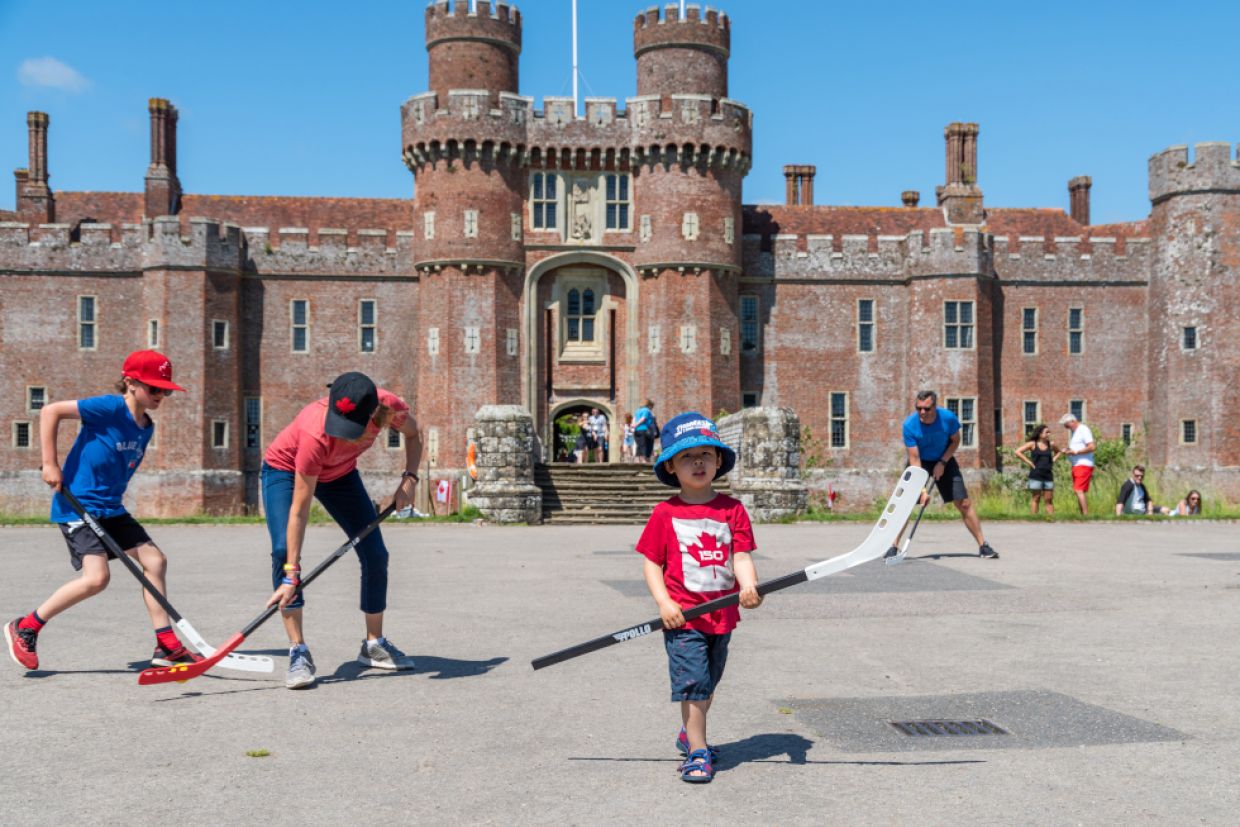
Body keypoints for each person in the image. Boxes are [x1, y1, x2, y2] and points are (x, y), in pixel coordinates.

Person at [5, 350, 200, 672]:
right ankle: (26, 626)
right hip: (78, 507)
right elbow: (51, 411)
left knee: (155, 560)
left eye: (164, 390)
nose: (161, 395)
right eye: (154, 388)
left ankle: (165, 644)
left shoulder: (146, 426)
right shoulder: (109, 407)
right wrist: (51, 463)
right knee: (96, 579)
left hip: (110, 508)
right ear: (130, 382)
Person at [263, 371, 423, 689]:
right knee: (284, 552)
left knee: (376, 554)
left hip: (340, 475)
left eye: (351, 428)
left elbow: (414, 435)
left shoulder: (390, 407)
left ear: (374, 414)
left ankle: (373, 644)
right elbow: (299, 510)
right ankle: (298, 650)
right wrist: (292, 574)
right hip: (285, 468)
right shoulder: (314, 431)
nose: (343, 434)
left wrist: (409, 479)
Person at [636, 412, 762, 784]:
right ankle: (697, 751)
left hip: (722, 616)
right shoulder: (665, 514)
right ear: (671, 466)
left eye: (705, 454)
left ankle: (690, 731)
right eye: (687, 457)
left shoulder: (732, 510)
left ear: (718, 461)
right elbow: (651, 564)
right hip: (684, 619)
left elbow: (740, 555)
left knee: (708, 681)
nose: (697, 462)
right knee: (693, 682)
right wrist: (664, 603)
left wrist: (750, 586)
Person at [891, 390, 998, 559]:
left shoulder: (948, 418)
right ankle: (893, 546)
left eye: (926, 409)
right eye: (918, 408)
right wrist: (922, 491)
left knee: (964, 503)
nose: (922, 413)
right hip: (920, 462)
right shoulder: (909, 425)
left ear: (935, 406)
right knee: (906, 504)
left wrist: (942, 462)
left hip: (944, 459)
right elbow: (914, 458)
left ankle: (983, 546)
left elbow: (955, 441)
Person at [1014, 423, 1061, 516]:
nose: (1049, 434)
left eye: (1049, 432)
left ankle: (1050, 518)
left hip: (1048, 475)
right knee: (1036, 498)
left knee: (1048, 499)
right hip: (1036, 475)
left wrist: (1052, 460)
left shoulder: (1051, 444)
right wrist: (1029, 462)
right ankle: (1034, 519)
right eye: (1046, 432)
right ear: (1040, 434)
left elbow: (1058, 452)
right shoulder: (1033, 444)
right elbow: (1017, 451)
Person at [1060, 413, 1096, 515]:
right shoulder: (1075, 432)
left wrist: (1076, 452)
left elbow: (1092, 447)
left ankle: (1085, 515)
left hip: (1083, 464)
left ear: (1072, 421)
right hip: (1077, 465)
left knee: (1079, 490)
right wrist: (1068, 450)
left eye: (1066, 424)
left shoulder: (1083, 429)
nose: (1065, 427)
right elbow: (1077, 448)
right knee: (1079, 490)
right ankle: (1083, 515)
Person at [633, 399, 657, 463]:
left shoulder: (637, 411)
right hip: (644, 430)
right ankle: (645, 461)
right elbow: (643, 418)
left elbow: (635, 419)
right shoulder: (646, 410)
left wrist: (634, 426)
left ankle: (638, 461)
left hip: (637, 431)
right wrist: (636, 424)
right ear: (649, 405)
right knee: (645, 446)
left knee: (639, 446)